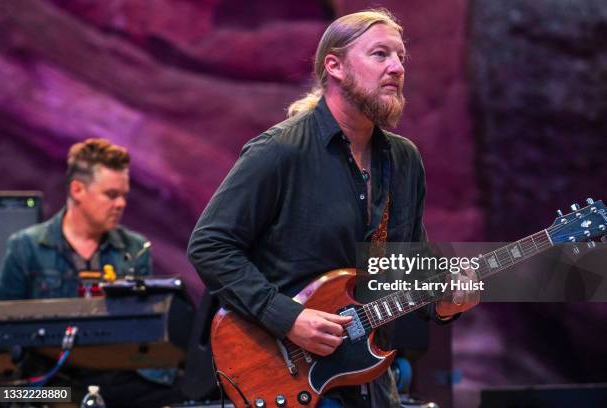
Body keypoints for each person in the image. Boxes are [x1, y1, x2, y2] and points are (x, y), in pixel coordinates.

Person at [188, 9, 479, 407]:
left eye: (400, 57)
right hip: (287, 375)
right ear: (335, 66)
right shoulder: (280, 150)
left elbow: (405, 270)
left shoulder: (404, 159)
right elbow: (210, 246)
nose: (396, 67)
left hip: (373, 380)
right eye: (380, 54)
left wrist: (444, 304)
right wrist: (288, 317)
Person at [0, 138, 183, 407]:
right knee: (7, 396)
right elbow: (2, 329)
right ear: (78, 189)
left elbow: (145, 332)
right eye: (111, 194)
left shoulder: (135, 248)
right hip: (50, 380)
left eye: (124, 195)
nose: (121, 204)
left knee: (184, 395)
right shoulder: (26, 247)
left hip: (118, 378)